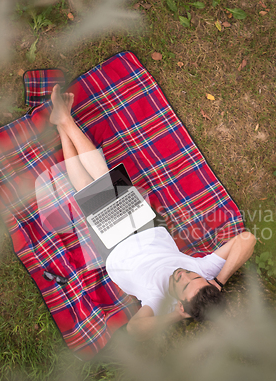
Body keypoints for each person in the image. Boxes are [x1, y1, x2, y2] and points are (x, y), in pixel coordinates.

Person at [50, 85, 256, 341]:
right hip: (148, 229)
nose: (183, 274)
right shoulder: (203, 275)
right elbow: (247, 239)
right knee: (88, 186)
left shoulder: (160, 301)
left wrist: (177, 317)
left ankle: (65, 121)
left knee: (102, 181)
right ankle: (61, 125)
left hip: (119, 248)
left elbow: (135, 329)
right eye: (192, 276)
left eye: (182, 284)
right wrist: (220, 280)